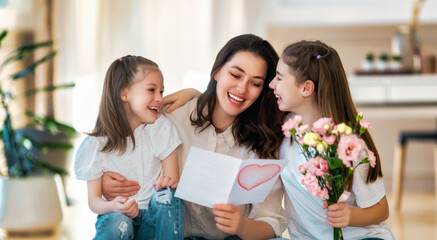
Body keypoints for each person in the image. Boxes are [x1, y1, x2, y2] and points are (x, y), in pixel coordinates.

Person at [101, 34, 288, 239]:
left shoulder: (265, 141)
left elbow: (271, 220)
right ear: (217, 71)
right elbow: (121, 137)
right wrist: (105, 180)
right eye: (235, 75)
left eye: (255, 83)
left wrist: (242, 226)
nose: (242, 89)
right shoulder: (171, 117)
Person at [269, 40, 394, 239]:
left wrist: (350, 215)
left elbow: (381, 209)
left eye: (279, 78)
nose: (271, 84)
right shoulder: (284, 128)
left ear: (306, 88)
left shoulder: (349, 145)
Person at [74, 55, 185, 240]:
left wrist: (167, 183)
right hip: (118, 216)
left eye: (161, 92)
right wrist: (113, 206)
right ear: (124, 93)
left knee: (168, 197)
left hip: (152, 217)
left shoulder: (161, 128)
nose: (159, 99)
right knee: (118, 223)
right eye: (152, 90)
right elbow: (94, 202)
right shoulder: (96, 145)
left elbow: (172, 182)